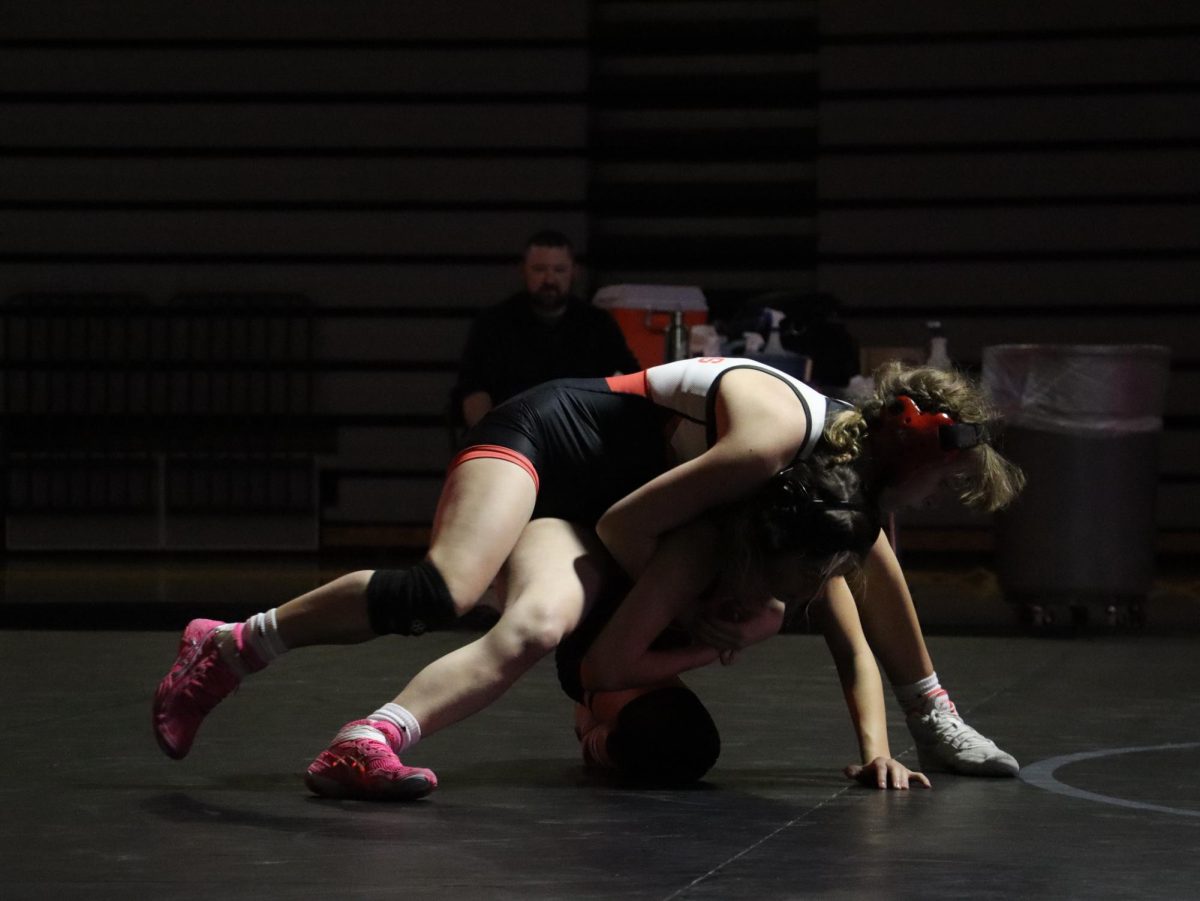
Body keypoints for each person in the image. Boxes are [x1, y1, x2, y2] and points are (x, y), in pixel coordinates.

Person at [153, 357, 1023, 799]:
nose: (937, 497)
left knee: (533, 628)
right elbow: (623, 526)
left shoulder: (830, 491)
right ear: (906, 447)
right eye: (942, 480)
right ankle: (232, 644)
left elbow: (858, 598)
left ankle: (369, 740)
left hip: (612, 507)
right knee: (443, 590)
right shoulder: (773, 447)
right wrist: (701, 606)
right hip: (557, 444)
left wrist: (888, 740)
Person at [558, 461, 930, 790]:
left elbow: (853, 653)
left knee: (675, 742)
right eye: (814, 573)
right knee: (676, 747)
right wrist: (714, 645)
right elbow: (601, 670)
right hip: (601, 647)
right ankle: (592, 725)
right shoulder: (700, 552)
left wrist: (878, 754)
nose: (819, 586)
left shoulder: (813, 564)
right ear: (780, 549)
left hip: (646, 654)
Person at [453, 229, 639, 428]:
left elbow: (629, 377)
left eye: (559, 270)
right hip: (513, 432)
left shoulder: (597, 324)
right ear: (523, 270)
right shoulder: (493, 323)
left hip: (581, 433)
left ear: (574, 272)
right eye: (539, 269)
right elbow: (473, 389)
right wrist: (489, 439)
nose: (549, 280)